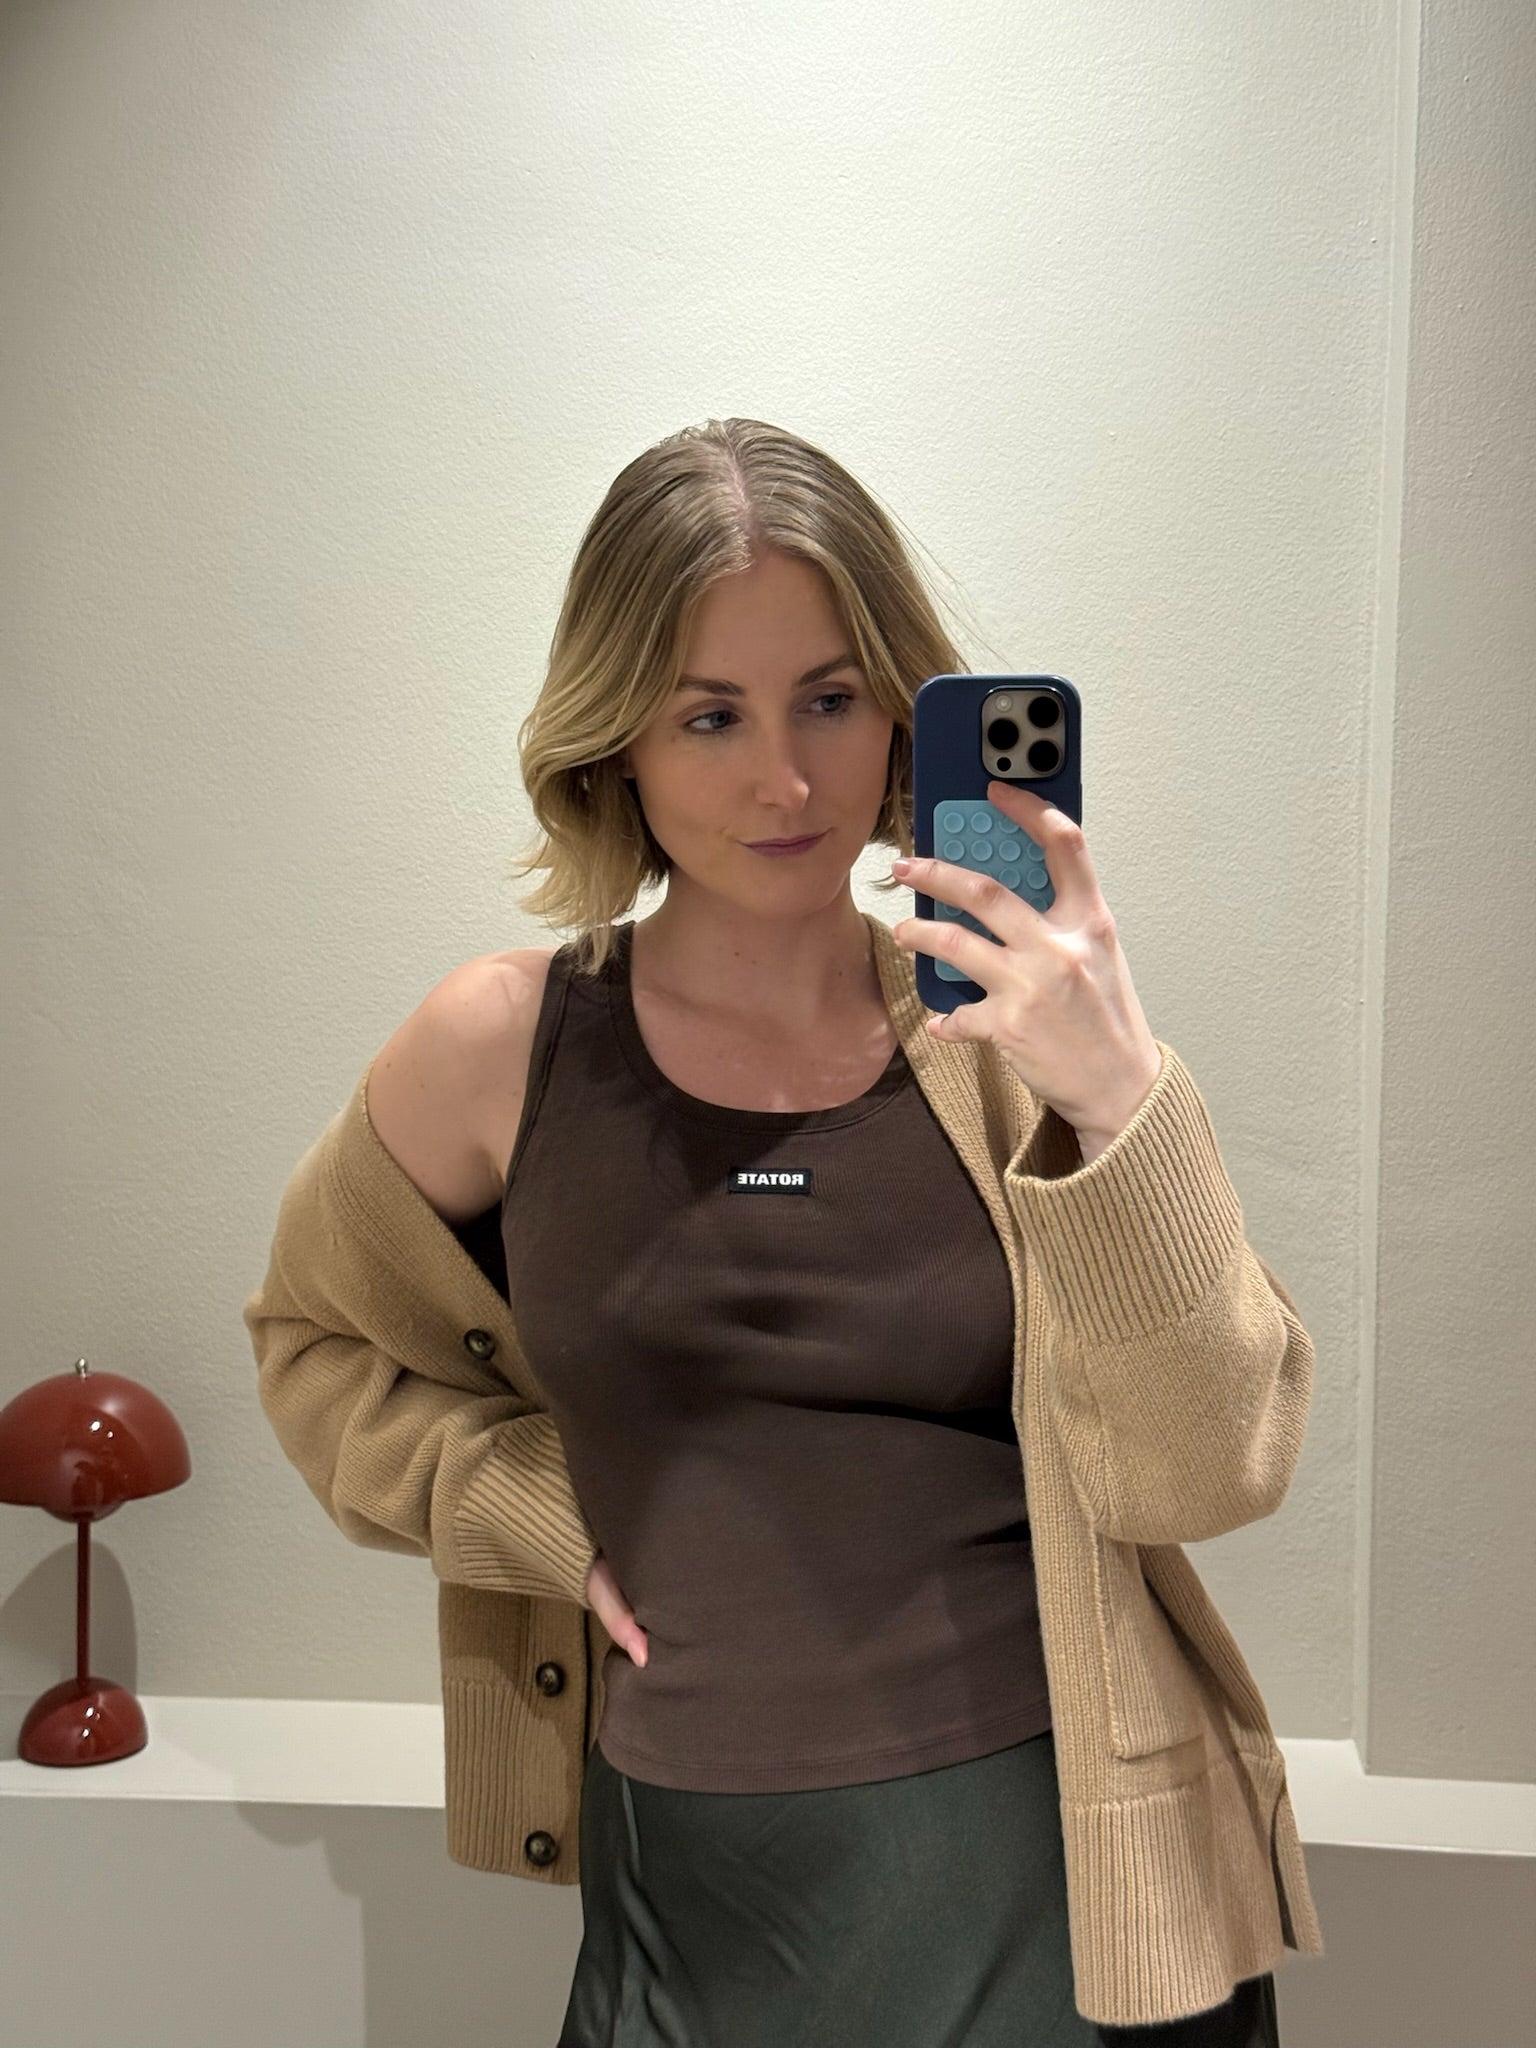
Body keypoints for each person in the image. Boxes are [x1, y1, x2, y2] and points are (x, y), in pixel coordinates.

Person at [245, 417, 1323, 2044]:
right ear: (617, 742)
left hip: (1059, 1876)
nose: (787, 780)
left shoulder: (1017, 1048)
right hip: (687, 1881)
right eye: (711, 716)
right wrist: (528, 1509)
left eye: (828, 698)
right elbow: (314, 1346)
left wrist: (1119, 1100)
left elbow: (1211, 1472)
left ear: (899, 711)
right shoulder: (500, 1048)